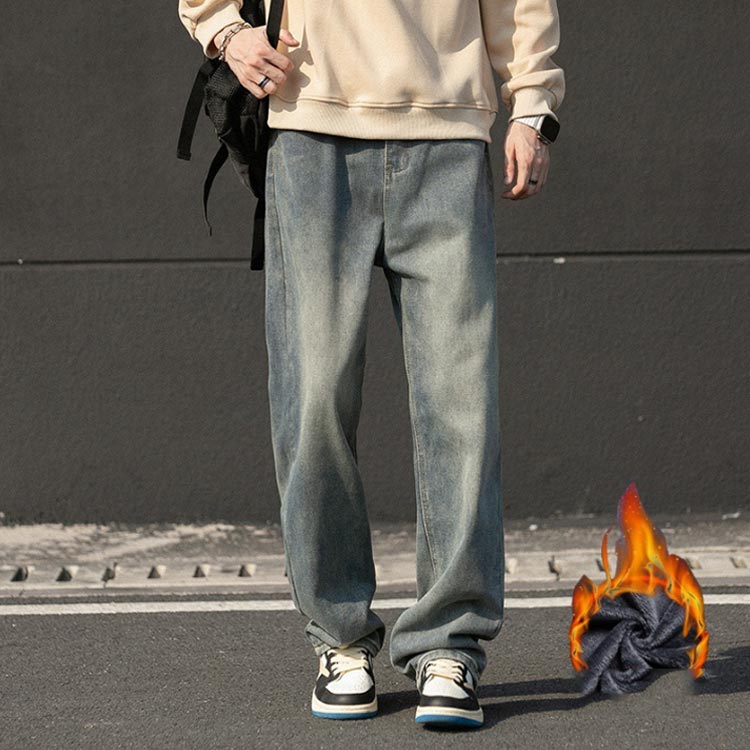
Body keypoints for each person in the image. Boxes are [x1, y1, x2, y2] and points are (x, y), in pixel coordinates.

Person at [178, 0, 565, 729]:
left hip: (447, 132)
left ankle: (450, 644)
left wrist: (532, 104)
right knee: (315, 398)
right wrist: (225, 30)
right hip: (311, 128)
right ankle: (339, 637)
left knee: (461, 405)